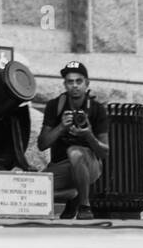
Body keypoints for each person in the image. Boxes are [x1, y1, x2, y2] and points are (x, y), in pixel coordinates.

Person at [37, 59, 109, 221]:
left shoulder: (97, 109)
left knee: (75, 152)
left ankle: (84, 206)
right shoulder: (55, 106)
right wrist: (61, 126)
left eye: (79, 81)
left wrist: (88, 134)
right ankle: (73, 195)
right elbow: (42, 145)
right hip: (60, 166)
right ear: (65, 84)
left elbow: (104, 152)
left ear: (86, 83)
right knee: (33, 190)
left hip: (90, 165)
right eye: (70, 82)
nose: (74, 85)